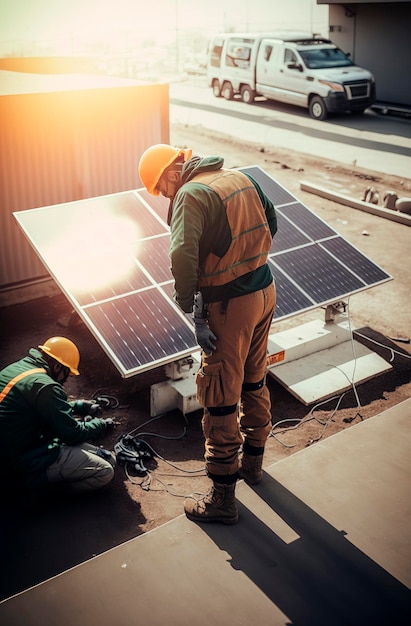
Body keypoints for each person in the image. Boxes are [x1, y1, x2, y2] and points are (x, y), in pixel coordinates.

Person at [138, 144, 277, 524]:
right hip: (265, 292)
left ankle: (221, 499)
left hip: (230, 305)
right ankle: (253, 466)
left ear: (170, 173)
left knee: (219, 393)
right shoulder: (238, 176)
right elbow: (273, 221)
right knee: (254, 378)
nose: (165, 196)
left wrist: (188, 303)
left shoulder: (190, 193)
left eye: (161, 189)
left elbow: (182, 251)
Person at [0, 336, 116, 501]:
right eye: (67, 372)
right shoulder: (46, 386)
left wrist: (77, 406)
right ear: (56, 366)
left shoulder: (18, 369)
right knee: (105, 471)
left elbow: (38, 404)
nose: (67, 379)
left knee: (109, 458)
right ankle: (42, 491)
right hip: (17, 463)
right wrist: (100, 424)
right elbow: (72, 434)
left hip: (13, 447)